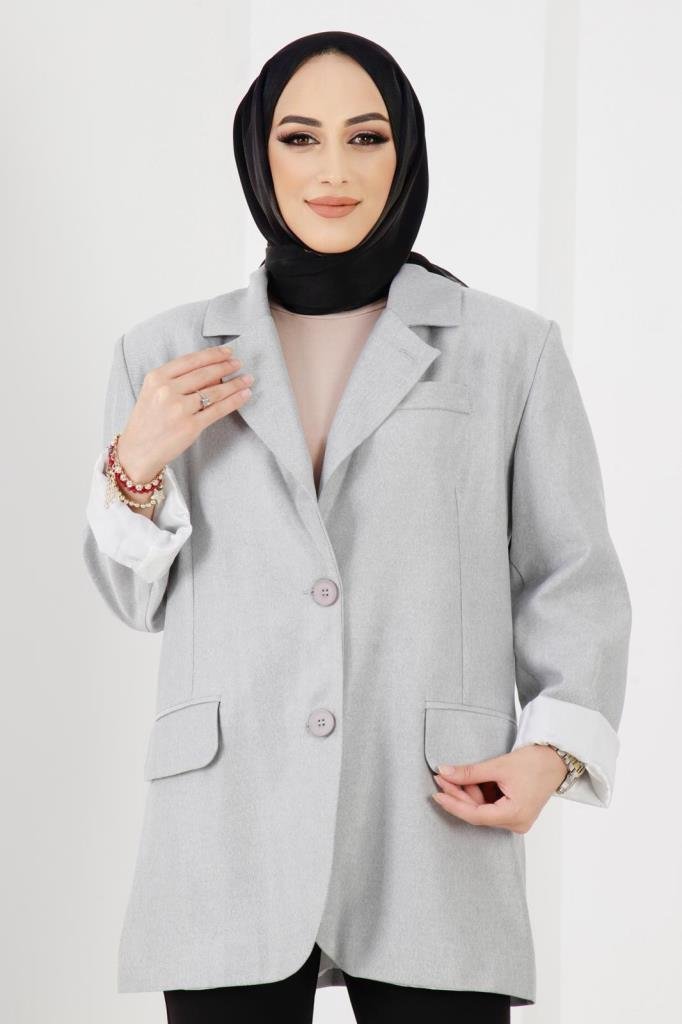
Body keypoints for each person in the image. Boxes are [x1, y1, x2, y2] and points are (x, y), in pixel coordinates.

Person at [82, 30, 631, 1024]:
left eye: (365, 137)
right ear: (258, 155)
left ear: (403, 152)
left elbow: (573, 572)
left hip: (434, 809)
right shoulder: (163, 355)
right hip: (225, 824)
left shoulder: (507, 349)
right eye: (299, 138)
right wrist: (137, 462)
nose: (333, 169)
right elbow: (132, 597)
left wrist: (551, 751)